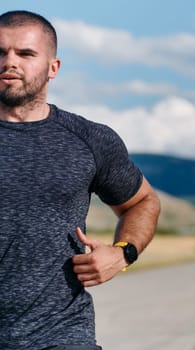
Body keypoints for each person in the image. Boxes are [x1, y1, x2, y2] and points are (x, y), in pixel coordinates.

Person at [0, 10, 161, 350]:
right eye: (0, 52)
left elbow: (142, 202)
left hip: (59, 334)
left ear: (53, 68)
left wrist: (123, 253)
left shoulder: (89, 140)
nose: (9, 62)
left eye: (26, 54)